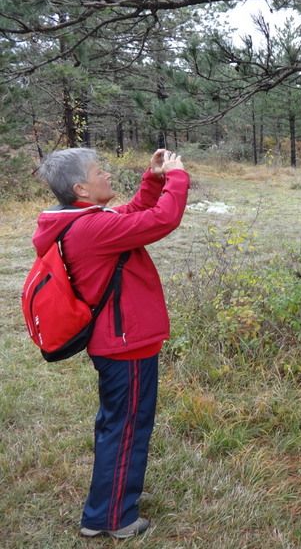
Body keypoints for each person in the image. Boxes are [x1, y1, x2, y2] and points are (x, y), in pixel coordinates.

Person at [33, 147, 189, 539]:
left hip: (117, 340)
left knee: (116, 426)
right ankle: (114, 518)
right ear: (81, 187)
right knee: (127, 428)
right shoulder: (92, 229)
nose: (107, 176)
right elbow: (161, 219)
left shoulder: (83, 220)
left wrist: (152, 179)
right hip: (126, 343)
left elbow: (136, 210)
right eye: (99, 171)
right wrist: (176, 176)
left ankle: (108, 503)